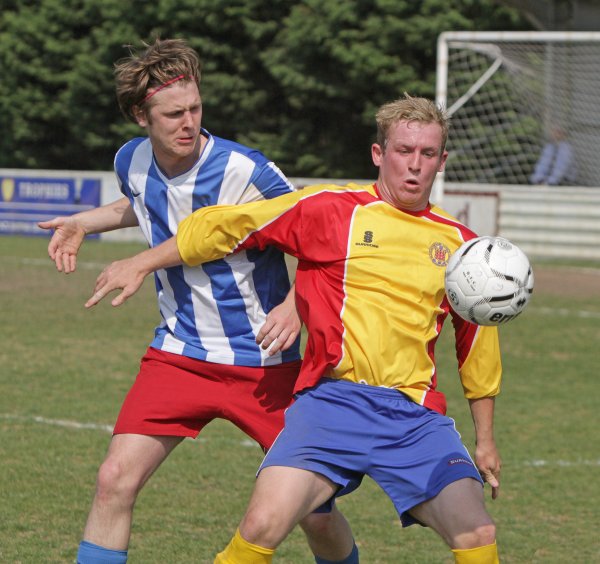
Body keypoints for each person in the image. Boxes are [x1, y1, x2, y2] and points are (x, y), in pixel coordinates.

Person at [85, 94, 504, 563]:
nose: (414, 166)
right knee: (263, 525)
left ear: (442, 161)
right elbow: (222, 226)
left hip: (412, 416)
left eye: (427, 154)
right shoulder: (331, 209)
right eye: (403, 151)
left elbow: (477, 346)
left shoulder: (462, 246)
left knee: (478, 534)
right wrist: (143, 262)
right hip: (332, 405)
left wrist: (484, 441)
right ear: (378, 154)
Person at [38, 38, 357, 564]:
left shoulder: (246, 172)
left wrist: (298, 306)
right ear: (142, 115)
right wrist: (84, 221)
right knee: (114, 479)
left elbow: (325, 237)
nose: (188, 123)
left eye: (195, 108)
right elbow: (142, 199)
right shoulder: (131, 159)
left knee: (313, 512)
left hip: (266, 362)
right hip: (179, 354)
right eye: (172, 114)